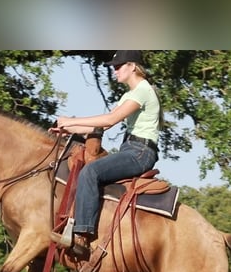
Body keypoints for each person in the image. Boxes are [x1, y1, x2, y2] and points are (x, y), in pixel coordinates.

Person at [49, 50, 161, 259]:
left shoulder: (143, 90)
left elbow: (110, 120)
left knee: (91, 171)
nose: (114, 70)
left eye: (118, 66)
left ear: (133, 67)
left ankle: (82, 235)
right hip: (130, 149)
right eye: (114, 67)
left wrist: (71, 121)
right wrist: (66, 129)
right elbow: (101, 128)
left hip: (141, 153)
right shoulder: (129, 95)